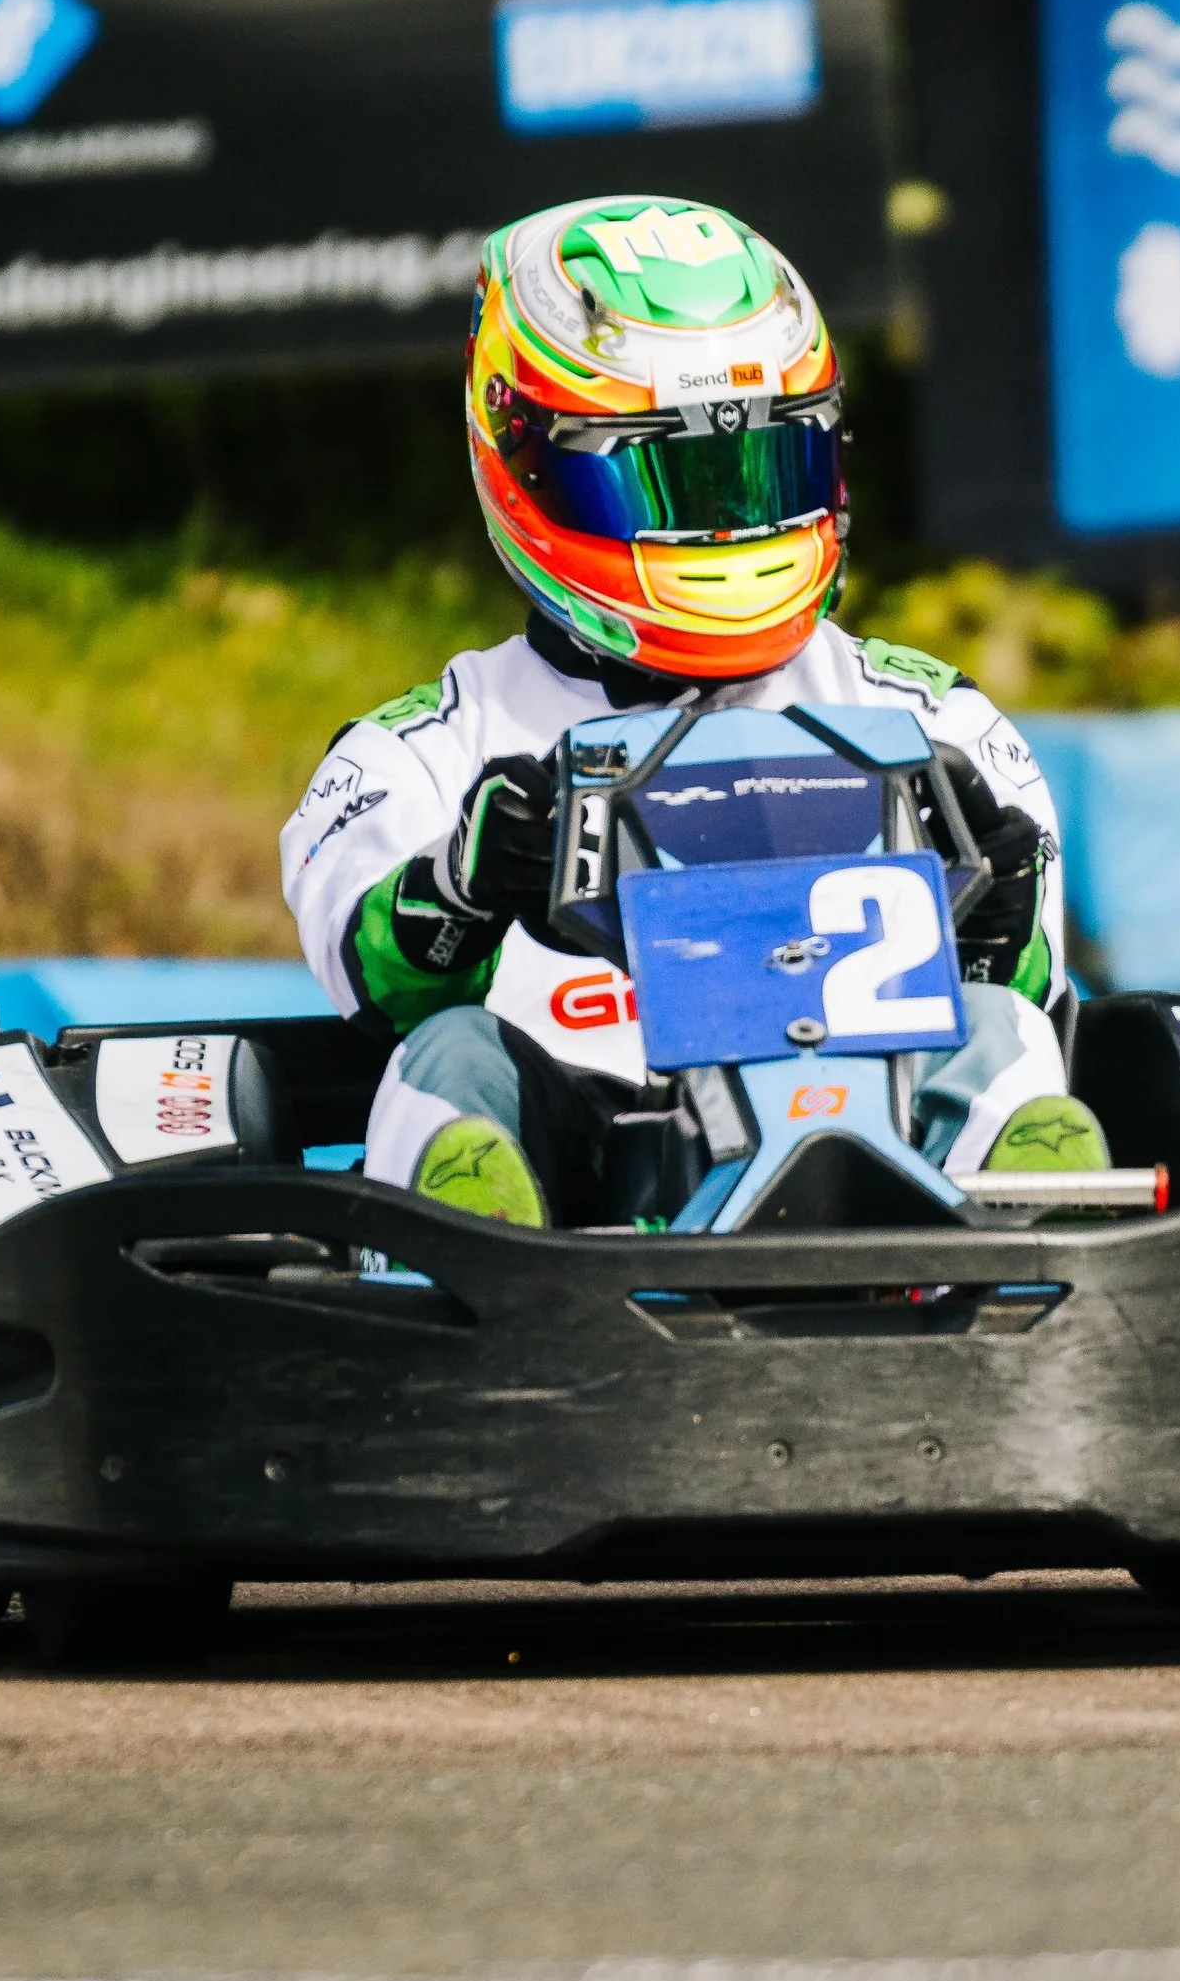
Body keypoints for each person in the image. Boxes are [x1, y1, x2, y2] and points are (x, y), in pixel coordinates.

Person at [282, 193, 1110, 1224]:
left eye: (759, 468)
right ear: (526, 458)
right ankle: (477, 1269)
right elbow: (379, 987)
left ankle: (1063, 1262)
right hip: (578, 1201)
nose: (725, 530)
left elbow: (1022, 990)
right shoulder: (419, 751)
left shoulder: (933, 719)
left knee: (996, 1025)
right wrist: (465, 879)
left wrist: (1001, 904)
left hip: (887, 1182)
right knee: (446, 1052)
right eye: (666, 484)